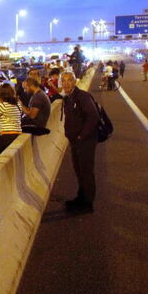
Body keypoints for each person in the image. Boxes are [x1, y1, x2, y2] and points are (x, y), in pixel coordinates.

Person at [60, 71, 98, 214]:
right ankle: (81, 197)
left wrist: (82, 136)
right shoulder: (68, 98)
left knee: (86, 171)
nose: (66, 83)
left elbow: (93, 116)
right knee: (79, 170)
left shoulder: (82, 96)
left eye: (69, 80)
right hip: (75, 141)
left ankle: (88, 204)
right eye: (63, 81)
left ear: (75, 82)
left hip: (85, 141)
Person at [0, 82, 22, 157]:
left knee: (1, 155)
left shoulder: (3, 105)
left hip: (7, 135)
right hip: (17, 134)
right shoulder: (17, 104)